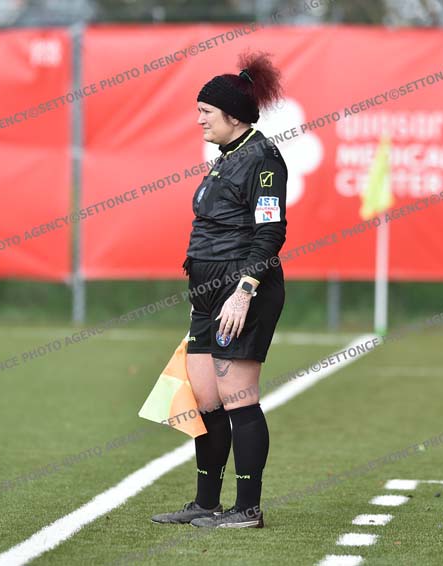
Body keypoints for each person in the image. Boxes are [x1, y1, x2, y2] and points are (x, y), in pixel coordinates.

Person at [151, 51, 287, 529]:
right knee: (205, 400)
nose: (199, 120)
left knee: (238, 399)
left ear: (233, 115)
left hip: (240, 291)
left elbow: (270, 233)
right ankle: (206, 503)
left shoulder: (263, 159)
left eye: (206, 112)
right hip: (208, 293)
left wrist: (243, 291)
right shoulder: (227, 158)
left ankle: (247, 508)